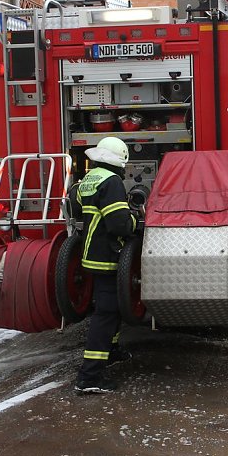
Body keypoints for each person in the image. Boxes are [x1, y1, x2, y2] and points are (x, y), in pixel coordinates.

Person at [74, 136, 139, 394]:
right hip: (106, 256)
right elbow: (118, 224)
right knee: (106, 313)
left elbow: (77, 208)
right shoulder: (111, 182)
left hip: (92, 253)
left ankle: (110, 352)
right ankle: (89, 377)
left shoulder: (89, 179)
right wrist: (135, 222)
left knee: (112, 308)